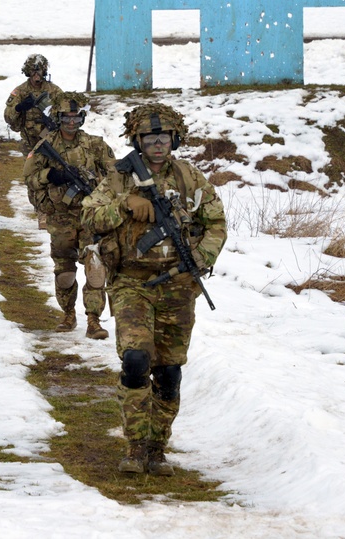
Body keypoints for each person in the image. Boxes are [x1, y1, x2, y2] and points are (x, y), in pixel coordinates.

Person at [81, 103, 226, 476]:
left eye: (163, 137)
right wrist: (124, 205)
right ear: (137, 140)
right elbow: (90, 215)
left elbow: (216, 224)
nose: (157, 144)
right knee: (135, 360)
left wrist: (197, 259)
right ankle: (135, 445)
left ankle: (158, 447)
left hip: (178, 284)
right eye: (149, 137)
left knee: (169, 371)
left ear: (174, 139)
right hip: (132, 281)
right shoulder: (118, 177)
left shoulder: (190, 177)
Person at [23, 91, 115, 339]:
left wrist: (100, 193)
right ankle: (68, 314)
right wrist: (51, 176)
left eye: (76, 117)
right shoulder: (45, 147)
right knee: (64, 272)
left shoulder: (95, 145)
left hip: (90, 217)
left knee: (95, 268)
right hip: (61, 218)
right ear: (58, 118)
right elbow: (29, 178)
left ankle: (94, 320)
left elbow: (116, 178)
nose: (71, 123)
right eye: (66, 118)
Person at [4, 53, 64, 154]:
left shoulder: (54, 90)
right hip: (28, 142)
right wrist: (19, 107)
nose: (36, 75)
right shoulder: (20, 91)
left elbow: (66, 110)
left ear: (44, 71)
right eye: (33, 71)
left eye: (39, 70)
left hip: (51, 140)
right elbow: (7, 117)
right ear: (28, 72)